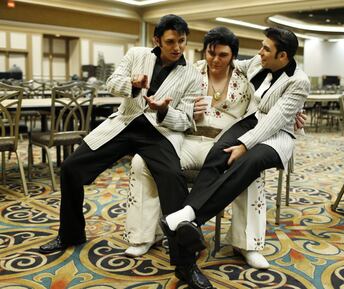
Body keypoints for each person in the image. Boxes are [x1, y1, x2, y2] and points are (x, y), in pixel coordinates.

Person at [38, 14, 213, 289]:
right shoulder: (137, 54)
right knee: (71, 168)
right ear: (157, 40)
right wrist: (133, 84)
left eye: (181, 41)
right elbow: (112, 82)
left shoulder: (191, 74)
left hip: (159, 132)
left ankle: (185, 265)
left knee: (172, 179)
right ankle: (71, 234)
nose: (177, 47)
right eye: (170, 41)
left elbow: (186, 120)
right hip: (124, 124)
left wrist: (165, 110)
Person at [160, 27, 310, 281]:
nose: (259, 52)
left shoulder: (299, 81)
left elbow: (273, 122)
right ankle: (186, 216)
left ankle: (193, 220)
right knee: (219, 152)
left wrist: (245, 145)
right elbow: (230, 61)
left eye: (266, 49)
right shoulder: (256, 62)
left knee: (246, 162)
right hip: (252, 122)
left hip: (277, 136)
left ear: (282, 56)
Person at [124, 26, 271, 269]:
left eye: (223, 55)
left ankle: (247, 244)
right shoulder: (187, 72)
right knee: (142, 162)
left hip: (224, 146)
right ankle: (144, 236)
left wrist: (294, 116)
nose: (215, 60)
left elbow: (264, 109)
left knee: (252, 170)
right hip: (187, 139)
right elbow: (165, 106)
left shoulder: (247, 78)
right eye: (211, 53)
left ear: (233, 55)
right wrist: (185, 111)